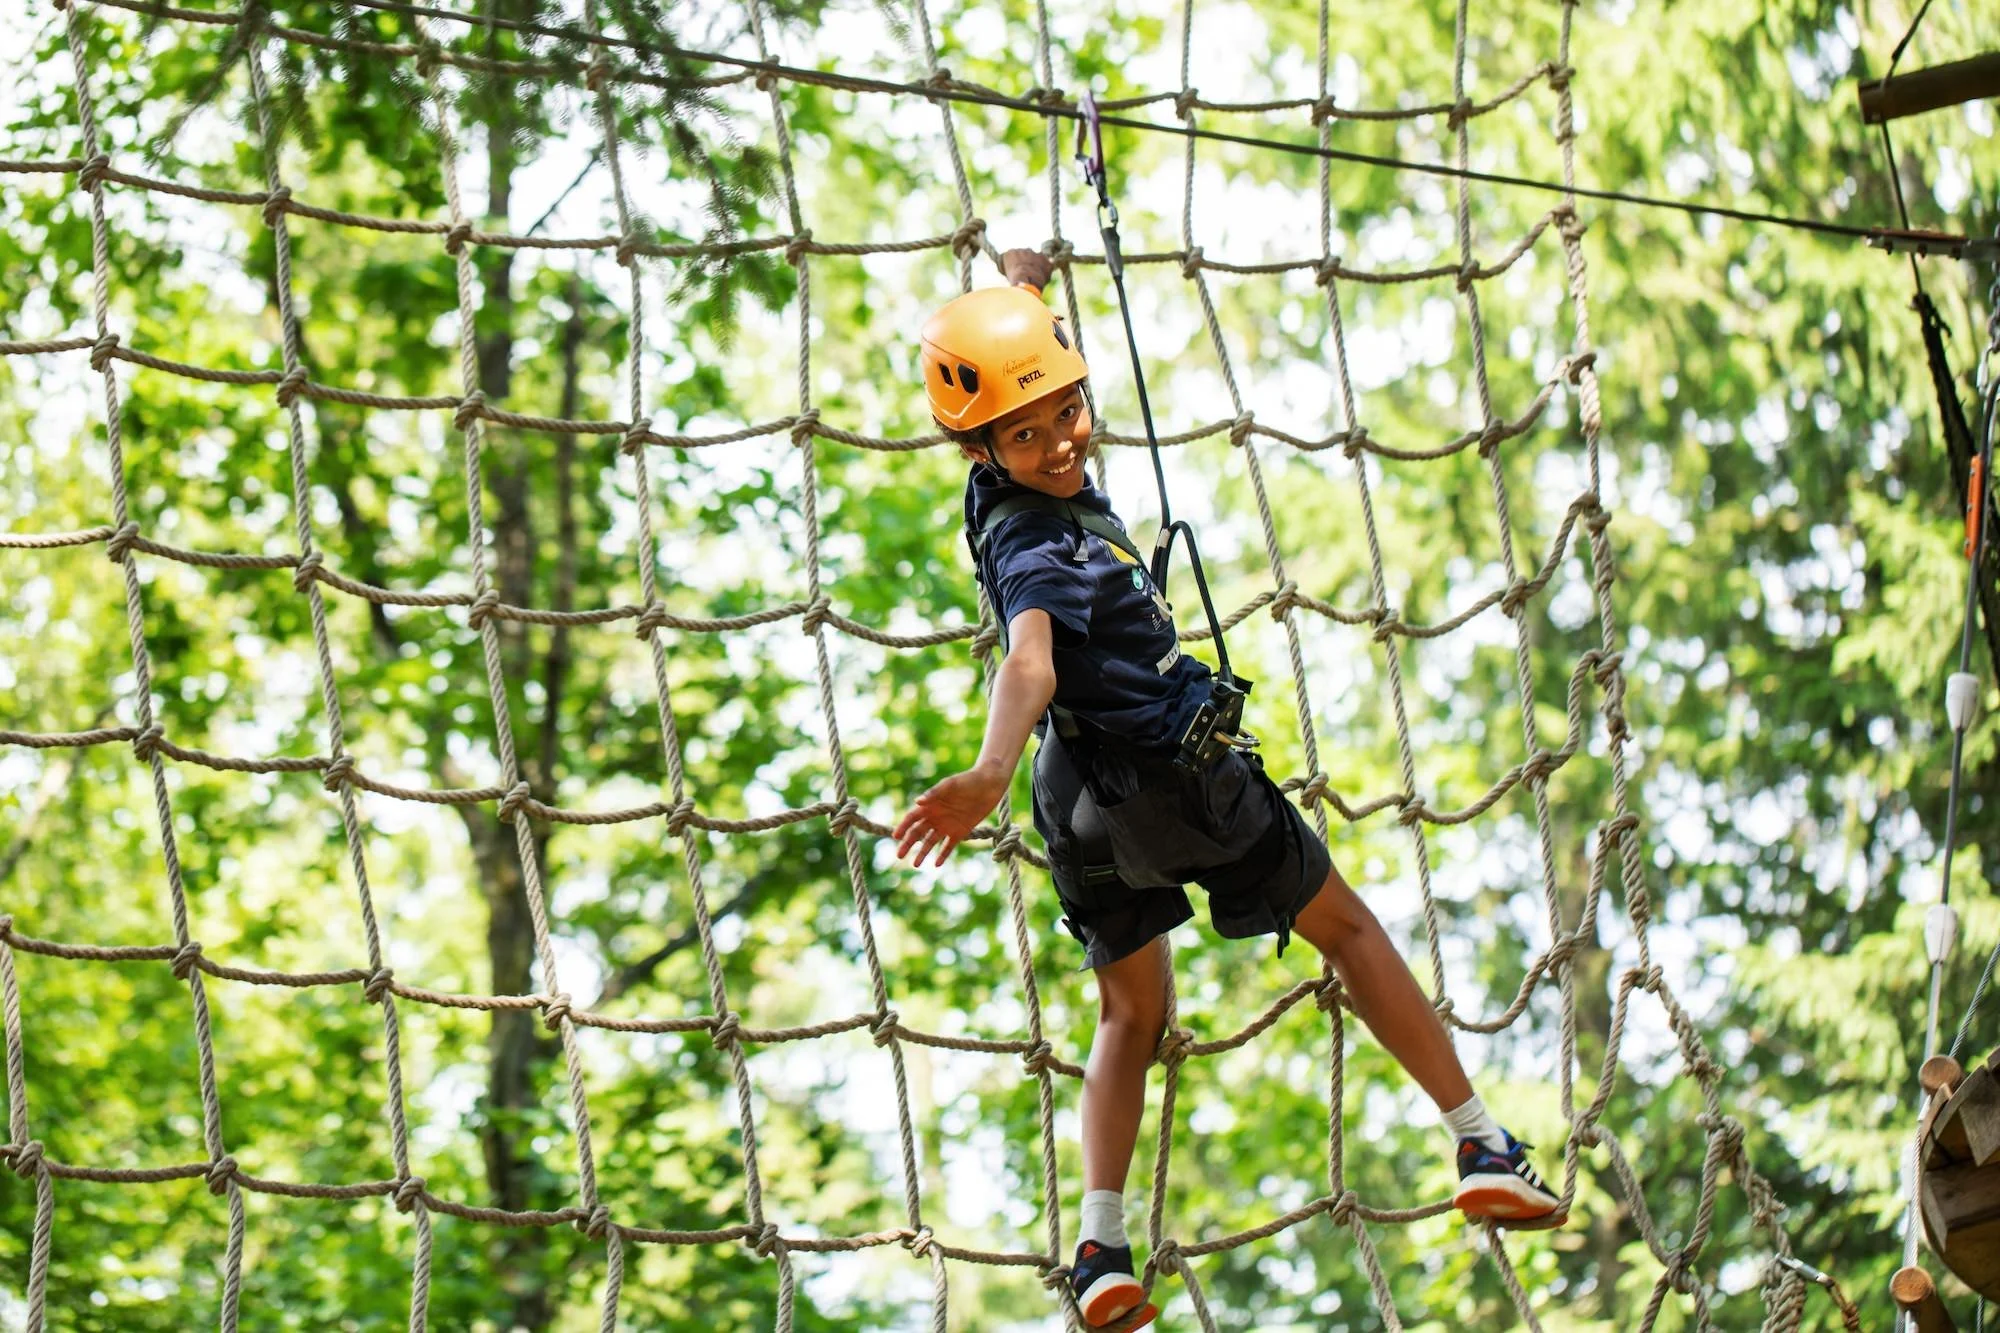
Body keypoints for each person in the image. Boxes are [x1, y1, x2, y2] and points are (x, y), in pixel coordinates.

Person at [894, 248, 1563, 1330]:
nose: (1060, 441)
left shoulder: (989, 491)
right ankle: (1480, 1138)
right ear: (981, 446)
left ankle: (1100, 1249)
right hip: (1175, 779)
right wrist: (983, 765)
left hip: (1078, 805)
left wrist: (1018, 288)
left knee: (1131, 1008)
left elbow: (1014, 388)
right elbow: (1030, 660)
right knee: (1345, 931)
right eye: (1029, 433)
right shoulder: (1040, 550)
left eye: (1068, 411)